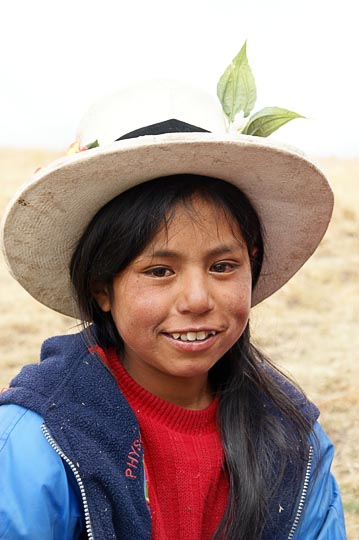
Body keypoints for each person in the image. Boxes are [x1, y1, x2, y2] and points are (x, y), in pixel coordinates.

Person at [0, 80, 346, 539]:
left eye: (223, 266)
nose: (198, 299)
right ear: (102, 287)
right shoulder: (36, 445)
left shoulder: (294, 442)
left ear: (253, 266)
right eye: (159, 271)